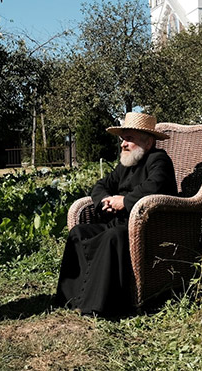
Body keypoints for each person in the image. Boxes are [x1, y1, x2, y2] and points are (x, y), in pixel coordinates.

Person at [54, 112, 176, 317]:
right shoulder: (126, 164)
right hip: (119, 222)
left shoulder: (159, 161)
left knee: (112, 237)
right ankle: (70, 298)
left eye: (129, 139)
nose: (123, 144)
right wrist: (105, 201)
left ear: (148, 142)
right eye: (123, 139)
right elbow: (101, 185)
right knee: (79, 232)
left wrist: (124, 202)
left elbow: (154, 187)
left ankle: (97, 305)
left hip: (147, 228)